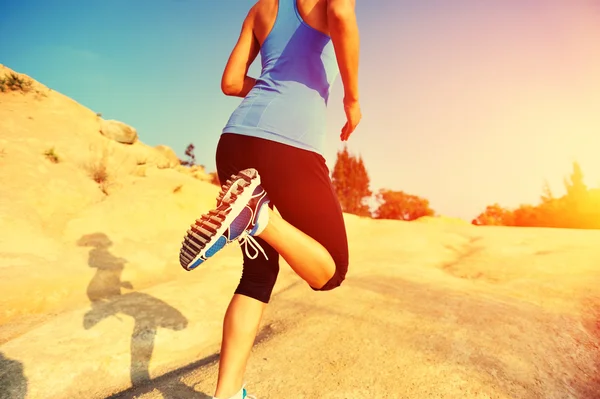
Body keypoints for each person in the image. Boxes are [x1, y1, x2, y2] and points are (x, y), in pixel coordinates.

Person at [179, 0, 361, 398]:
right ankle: (261, 216)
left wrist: (267, 86)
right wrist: (351, 98)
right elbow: (344, 16)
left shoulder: (262, 7)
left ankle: (228, 394)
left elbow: (230, 83)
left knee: (259, 274)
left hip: (234, 143)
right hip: (289, 147)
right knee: (330, 272)